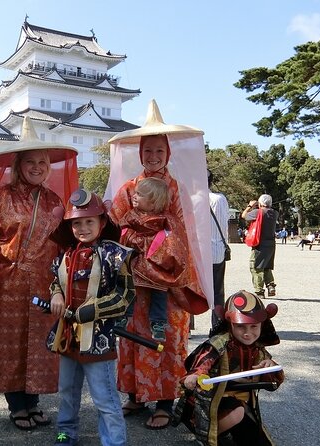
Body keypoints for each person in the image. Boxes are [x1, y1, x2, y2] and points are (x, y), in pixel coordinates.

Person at [105, 100, 211, 430]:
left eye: (158, 152)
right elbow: (113, 226)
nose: (153, 157)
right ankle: (136, 395)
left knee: (165, 334)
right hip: (134, 274)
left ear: (167, 153)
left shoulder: (175, 187)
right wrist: (131, 241)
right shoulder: (128, 188)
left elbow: (181, 228)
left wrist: (161, 255)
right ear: (140, 153)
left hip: (167, 272)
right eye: (147, 151)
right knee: (134, 334)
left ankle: (165, 399)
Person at [0, 117, 78, 430]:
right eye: (30, 161)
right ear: (17, 165)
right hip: (7, 285)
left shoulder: (55, 201)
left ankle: (33, 402)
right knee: (12, 344)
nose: (37, 167)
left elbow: (64, 245)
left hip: (45, 283)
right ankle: (17, 405)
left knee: (40, 343)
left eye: (42, 162)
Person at [46, 189, 134, 446]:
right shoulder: (65, 255)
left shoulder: (115, 254)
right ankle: (65, 434)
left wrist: (92, 310)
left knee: (104, 397)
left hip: (99, 341)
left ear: (102, 222)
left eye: (89, 221)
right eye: (77, 223)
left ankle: (114, 442)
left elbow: (125, 295)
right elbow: (56, 282)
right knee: (66, 393)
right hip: (67, 338)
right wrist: (57, 295)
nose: (83, 227)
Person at [174, 290, 285, 446]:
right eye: (241, 326)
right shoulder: (218, 344)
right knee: (237, 411)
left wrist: (271, 368)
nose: (248, 333)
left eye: (254, 326)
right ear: (230, 324)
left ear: (262, 324)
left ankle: (230, 430)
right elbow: (201, 365)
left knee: (260, 441)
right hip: (210, 406)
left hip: (242, 406)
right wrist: (194, 376)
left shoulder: (258, 350)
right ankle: (208, 436)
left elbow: (273, 383)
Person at [118, 176, 190, 342]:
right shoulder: (131, 215)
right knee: (127, 285)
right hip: (135, 261)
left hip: (157, 262)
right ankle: (124, 315)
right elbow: (122, 230)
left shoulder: (166, 219)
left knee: (159, 291)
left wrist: (156, 245)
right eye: (135, 193)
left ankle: (158, 322)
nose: (134, 196)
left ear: (153, 203)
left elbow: (175, 239)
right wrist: (132, 238)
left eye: (140, 195)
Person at [241, 195, 278, 298]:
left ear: (260, 203)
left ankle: (259, 291)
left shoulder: (258, 212)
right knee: (266, 265)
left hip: (259, 243)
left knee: (256, 267)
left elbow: (244, 216)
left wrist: (250, 206)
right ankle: (271, 286)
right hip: (271, 244)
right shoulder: (275, 213)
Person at [208, 170, 230, 329]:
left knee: (188, 291)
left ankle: (187, 326)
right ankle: (217, 326)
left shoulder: (188, 199)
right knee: (217, 292)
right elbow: (224, 225)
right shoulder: (219, 199)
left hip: (196, 254)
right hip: (216, 250)